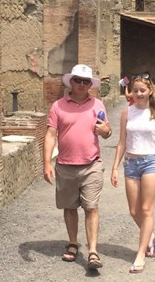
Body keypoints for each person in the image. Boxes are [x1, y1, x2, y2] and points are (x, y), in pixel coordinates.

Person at [43, 64, 112, 271]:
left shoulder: (97, 104)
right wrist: (46, 162)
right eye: (78, 80)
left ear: (90, 84)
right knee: (70, 207)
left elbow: (107, 131)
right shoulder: (58, 106)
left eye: (86, 81)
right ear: (71, 81)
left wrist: (105, 130)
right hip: (65, 165)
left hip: (92, 164)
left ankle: (92, 252)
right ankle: (73, 243)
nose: (82, 84)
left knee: (91, 207)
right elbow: (50, 135)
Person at [110, 73, 155, 274]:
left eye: (142, 90)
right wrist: (114, 168)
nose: (138, 94)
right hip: (131, 162)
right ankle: (151, 236)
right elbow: (121, 142)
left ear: (150, 91)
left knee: (146, 209)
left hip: (152, 162)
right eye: (135, 90)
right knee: (133, 211)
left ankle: (140, 254)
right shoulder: (127, 112)